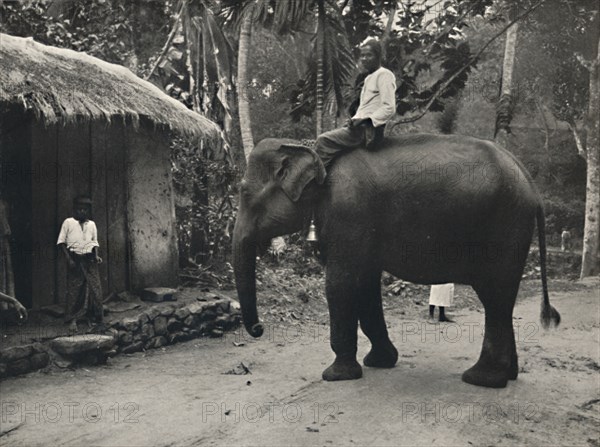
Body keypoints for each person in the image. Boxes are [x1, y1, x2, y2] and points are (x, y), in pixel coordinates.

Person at [315, 39, 397, 169]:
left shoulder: (385, 75)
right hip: (359, 128)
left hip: (368, 131)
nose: (364, 59)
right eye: (362, 55)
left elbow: (389, 107)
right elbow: (367, 107)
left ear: (378, 56)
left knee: (323, 141)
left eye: (369, 55)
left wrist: (366, 121)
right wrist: (354, 120)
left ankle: (319, 181)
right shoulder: (369, 77)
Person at [57, 196, 104, 332]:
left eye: (85, 210)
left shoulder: (92, 224)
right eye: (79, 209)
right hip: (75, 259)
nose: (82, 212)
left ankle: (97, 318)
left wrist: (96, 256)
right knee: (74, 290)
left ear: (88, 211)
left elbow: (95, 243)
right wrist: (69, 260)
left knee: (95, 288)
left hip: (89, 259)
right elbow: (61, 243)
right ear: (75, 210)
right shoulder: (68, 223)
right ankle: (72, 319)